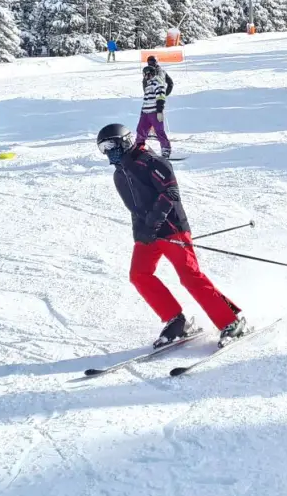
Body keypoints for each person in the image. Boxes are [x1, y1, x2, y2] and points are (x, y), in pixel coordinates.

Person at [96, 123, 247, 348]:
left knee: (189, 276)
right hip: (147, 234)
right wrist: (141, 234)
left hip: (172, 229)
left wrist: (155, 224)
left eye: (111, 144)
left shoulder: (150, 162)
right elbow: (135, 209)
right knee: (139, 275)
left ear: (125, 141)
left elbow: (170, 192)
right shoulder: (120, 174)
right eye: (103, 148)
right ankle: (177, 322)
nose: (108, 151)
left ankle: (231, 321)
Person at [136, 64, 171, 158]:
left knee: (159, 131)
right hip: (145, 113)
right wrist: (142, 112)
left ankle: (166, 149)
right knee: (140, 130)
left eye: (144, 74)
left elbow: (161, 96)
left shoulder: (157, 82)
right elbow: (146, 99)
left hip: (154, 112)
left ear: (149, 73)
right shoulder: (148, 84)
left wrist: (159, 111)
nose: (144, 76)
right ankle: (139, 147)